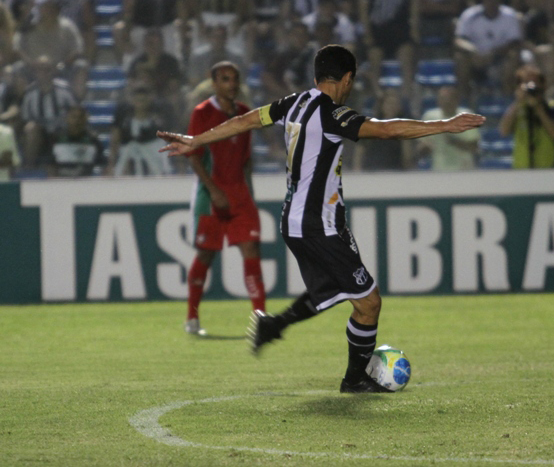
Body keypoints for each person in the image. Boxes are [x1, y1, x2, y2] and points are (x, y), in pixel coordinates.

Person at [158, 45, 485, 393]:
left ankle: (275, 325)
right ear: (347, 79)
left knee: (331, 289)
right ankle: (355, 379)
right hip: (318, 223)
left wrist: (197, 140)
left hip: (299, 220)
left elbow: (246, 120)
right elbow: (386, 130)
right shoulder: (331, 113)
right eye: (351, 82)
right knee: (369, 302)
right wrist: (444, 125)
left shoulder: (293, 103)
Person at [178, 61, 266, 336]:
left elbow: (246, 159)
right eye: (225, 79)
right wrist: (213, 191)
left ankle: (260, 318)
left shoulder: (244, 113)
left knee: (251, 250)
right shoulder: (202, 112)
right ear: (214, 83)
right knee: (206, 253)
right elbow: (193, 156)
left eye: (234, 79)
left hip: (240, 194)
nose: (231, 84)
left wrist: (250, 193)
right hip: (210, 194)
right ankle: (192, 317)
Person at [499, 65, 554, 169]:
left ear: (543, 85)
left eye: (535, 82)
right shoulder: (518, 108)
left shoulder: (552, 106)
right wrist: (518, 102)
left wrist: (538, 108)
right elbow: (503, 131)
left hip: (547, 170)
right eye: (526, 83)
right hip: (521, 170)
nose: (531, 87)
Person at [419, 86, 479, 171]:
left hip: (464, 169)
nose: (446, 102)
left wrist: (454, 141)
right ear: (438, 101)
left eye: (449, 99)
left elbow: (474, 147)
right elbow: (422, 146)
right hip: (439, 169)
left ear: (457, 100)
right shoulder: (430, 117)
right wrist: (425, 147)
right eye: (442, 99)